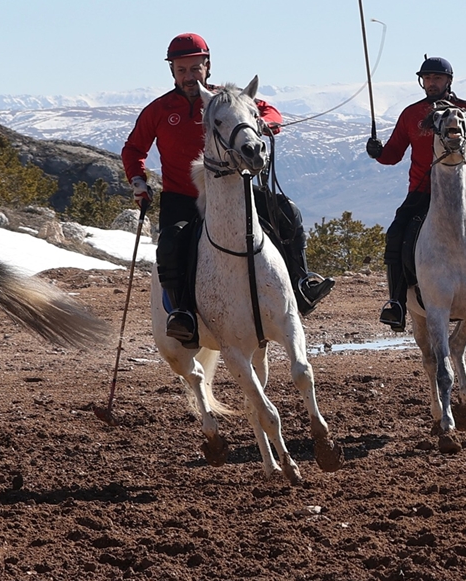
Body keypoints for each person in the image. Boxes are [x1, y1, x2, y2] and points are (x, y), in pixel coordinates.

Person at [121, 33, 334, 347]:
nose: (189, 76)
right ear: (172, 71)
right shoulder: (160, 109)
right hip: (182, 197)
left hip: (235, 191)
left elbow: (268, 109)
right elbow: (133, 149)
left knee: (288, 213)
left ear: (207, 66)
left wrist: (266, 122)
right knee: (169, 245)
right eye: (181, 70)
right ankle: (182, 313)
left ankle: (302, 283)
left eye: (195, 68)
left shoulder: (227, 99)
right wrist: (139, 181)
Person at [365, 55, 466, 331]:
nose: (431, 83)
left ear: (448, 81)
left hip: (460, 191)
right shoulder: (410, 114)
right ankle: (396, 303)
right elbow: (393, 154)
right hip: (421, 191)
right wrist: (378, 153)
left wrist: (452, 169)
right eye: (427, 79)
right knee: (396, 234)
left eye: (436, 78)